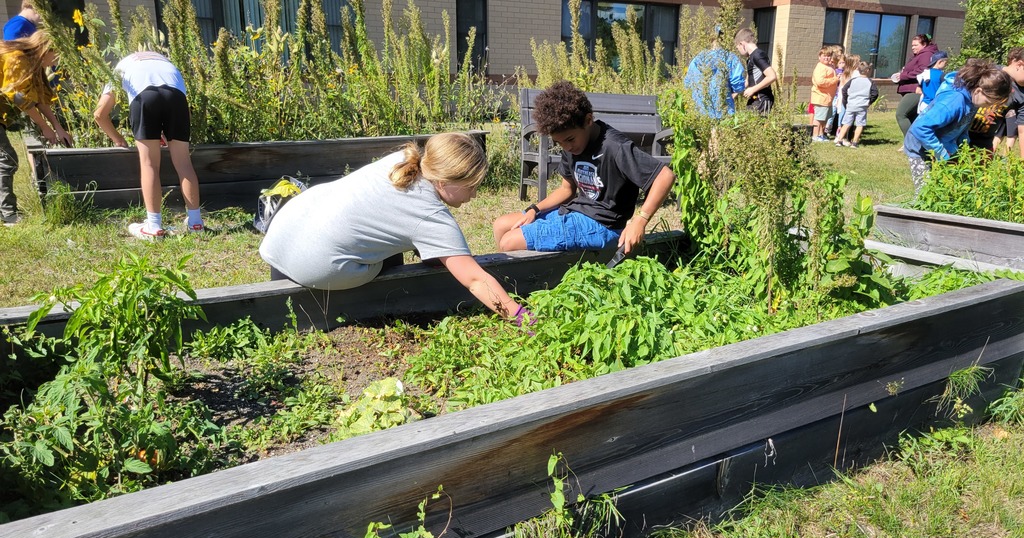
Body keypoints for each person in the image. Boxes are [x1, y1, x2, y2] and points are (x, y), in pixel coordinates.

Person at [259, 132, 534, 325]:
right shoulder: (430, 216)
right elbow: (475, 280)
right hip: (315, 264)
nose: (474, 195)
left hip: (283, 233)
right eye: (471, 186)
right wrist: (520, 315)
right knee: (386, 254)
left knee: (384, 233)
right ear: (445, 180)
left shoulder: (403, 160)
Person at [492, 81, 675, 258]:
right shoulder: (571, 145)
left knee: (509, 241)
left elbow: (665, 176)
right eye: (559, 143)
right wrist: (534, 209)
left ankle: (526, 282)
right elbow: (567, 189)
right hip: (577, 212)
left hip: (603, 226)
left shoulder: (614, 146)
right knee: (501, 225)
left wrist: (640, 220)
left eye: (570, 139)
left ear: (588, 120)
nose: (566, 147)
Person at [94, 51, 205, 239]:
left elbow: (99, 114)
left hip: (144, 98)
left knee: (149, 164)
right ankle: (196, 223)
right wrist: (166, 131)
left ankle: (153, 226)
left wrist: (118, 139)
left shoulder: (123, 65)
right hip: (176, 98)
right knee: (184, 163)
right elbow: (182, 110)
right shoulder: (168, 65)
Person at [903, 59, 1012, 194]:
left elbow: (963, 126)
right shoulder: (953, 102)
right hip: (920, 148)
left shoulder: (973, 100)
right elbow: (920, 128)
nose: (989, 107)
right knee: (926, 193)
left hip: (943, 147)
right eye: (989, 101)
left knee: (947, 190)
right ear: (978, 90)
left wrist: (963, 146)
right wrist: (941, 153)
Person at [0, 30, 72, 226]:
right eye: (58, 55)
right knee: (7, 160)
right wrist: (44, 127)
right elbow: (18, 97)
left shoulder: (34, 63)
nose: (58, 61)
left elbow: (39, 100)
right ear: (46, 48)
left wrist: (57, 127)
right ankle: (8, 214)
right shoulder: (17, 58)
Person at [966, 47, 1024, 153]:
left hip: (983, 145)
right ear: (1020, 65)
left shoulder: (1022, 93)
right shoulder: (988, 72)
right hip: (958, 137)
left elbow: (1022, 130)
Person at [684, 25, 745, 119]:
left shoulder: (698, 58)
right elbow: (738, 85)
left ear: (710, 39)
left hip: (700, 109)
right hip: (723, 109)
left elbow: (687, 83)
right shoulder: (730, 58)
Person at [892, 34, 938, 140]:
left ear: (924, 44)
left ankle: (910, 142)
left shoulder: (926, 54)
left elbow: (922, 71)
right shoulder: (920, 55)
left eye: (916, 45)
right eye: (912, 45)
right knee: (912, 117)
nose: (913, 47)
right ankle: (917, 143)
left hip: (916, 89)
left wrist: (903, 75)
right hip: (910, 88)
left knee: (901, 114)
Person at [834, 61, 879, 148]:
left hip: (851, 105)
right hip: (862, 106)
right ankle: (854, 142)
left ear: (858, 70)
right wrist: (869, 102)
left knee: (846, 123)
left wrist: (846, 101)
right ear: (868, 70)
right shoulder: (870, 82)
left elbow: (844, 90)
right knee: (860, 124)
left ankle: (839, 140)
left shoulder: (852, 81)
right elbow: (875, 93)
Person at [733, 28, 776, 115]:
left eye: (738, 48)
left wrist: (753, 89)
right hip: (754, 99)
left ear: (742, 44)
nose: (739, 52)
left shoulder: (758, 55)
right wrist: (734, 93)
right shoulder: (751, 58)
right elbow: (748, 81)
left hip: (762, 100)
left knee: (758, 126)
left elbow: (772, 76)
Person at [810, 47, 839, 142]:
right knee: (818, 118)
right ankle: (815, 136)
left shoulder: (829, 67)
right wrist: (835, 79)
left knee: (824, 118)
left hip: (828, 98)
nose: (826, 58)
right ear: (819, 57)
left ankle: (821, 134)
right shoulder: (820, 67)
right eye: (824, 56)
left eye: (828, 56)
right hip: (821, 97)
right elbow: (820, 82)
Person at [916, 50, 948, 115]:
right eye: (946, 63)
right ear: (940, 62)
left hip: (924, 105)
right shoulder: (942, 75)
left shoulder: (924, 74)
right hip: (935, 105)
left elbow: (918, 91)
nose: (946, 65)